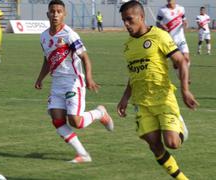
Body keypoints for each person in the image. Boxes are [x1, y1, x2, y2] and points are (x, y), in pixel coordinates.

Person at [118, 1, 199, 179]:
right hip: (141, 102)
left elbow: (181, 61)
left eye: (129, 19)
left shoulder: (159, 36)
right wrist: (125, 98)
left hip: (163, 99)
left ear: (141, 17)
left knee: (173, 143)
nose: (126, 24)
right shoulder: (128, 46)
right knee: (154, 145)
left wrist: (185, 90)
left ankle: (179, 125)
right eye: (123, 20)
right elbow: (134, 74)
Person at [35, 0, 114, 163]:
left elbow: (85, 57)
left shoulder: (69, 34)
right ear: (47, 14)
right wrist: (40, 78)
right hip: (56, 83)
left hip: (73, 82)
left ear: (64, 14)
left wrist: (89, 78)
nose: (55, 14)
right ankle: (83, 154)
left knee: (76, 122)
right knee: (57, 119)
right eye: (52, 11)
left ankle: (100, 113)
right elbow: (47, 60)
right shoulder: (43, 36)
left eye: (59, 11)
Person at [156, 0, 190, 83]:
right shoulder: (162, 10)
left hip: (181, 38)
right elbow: (157, 23)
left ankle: (186, 77)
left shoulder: (181, 9)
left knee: (186, 58)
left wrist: (185, 23)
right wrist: (161, 26)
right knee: (175, 63)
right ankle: (180, 76)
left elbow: (184, 19)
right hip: (170, 40)